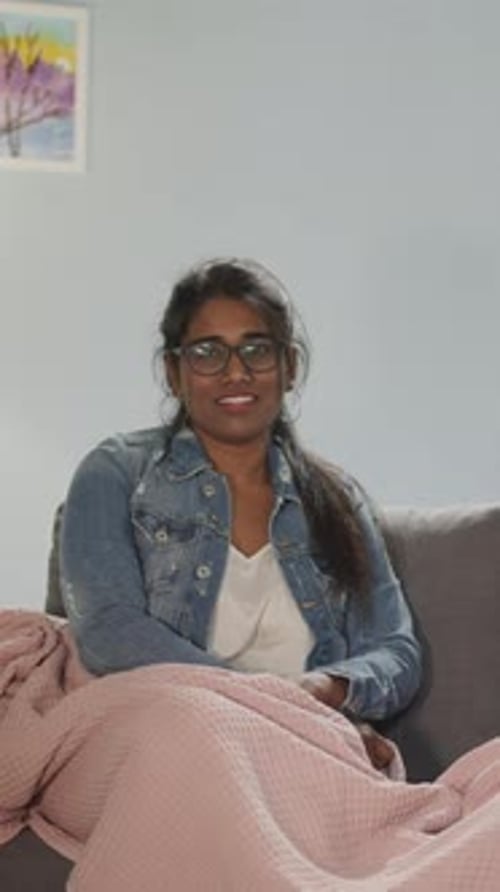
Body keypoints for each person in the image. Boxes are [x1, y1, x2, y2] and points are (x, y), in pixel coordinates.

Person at [60, 258, 422, 768]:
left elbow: (394, 651)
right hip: (178, 740)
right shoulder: (115, 473)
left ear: (290, 365)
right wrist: (272, 706)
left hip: (315, 746)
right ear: (174, 371)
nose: (236, 371)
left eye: (257, 350)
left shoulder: (338, 498)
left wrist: (323, 689)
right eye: (208, 352)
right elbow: (108, 631)